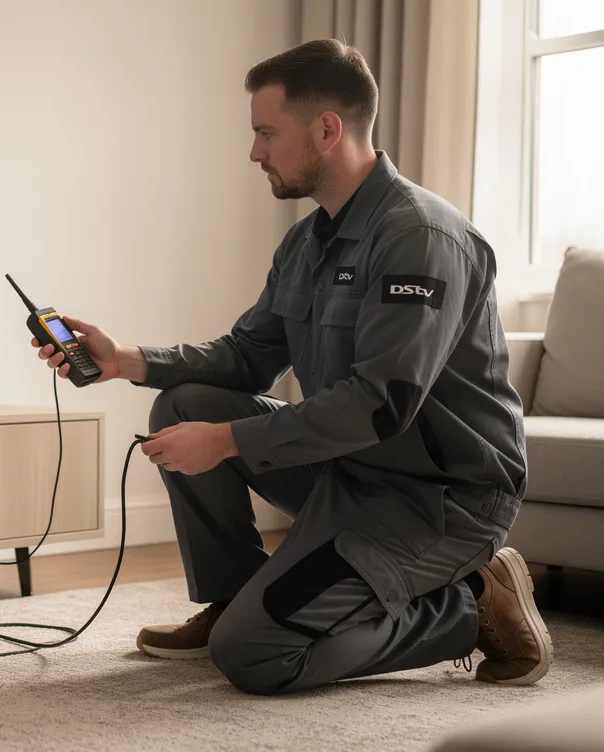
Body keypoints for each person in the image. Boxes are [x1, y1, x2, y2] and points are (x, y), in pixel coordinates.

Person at [31, 39, 549, 695]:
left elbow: (380, 405)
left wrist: (224, 442)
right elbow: (248, 358)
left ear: (326, 130)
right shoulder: (308, 241)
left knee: (253, 654)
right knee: (186, 403)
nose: (254, 152)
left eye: (266, 133)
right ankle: (231, 595)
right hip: (351, 469)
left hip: (437, 501)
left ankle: (468, 605)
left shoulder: (421, 237)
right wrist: (124, 361)